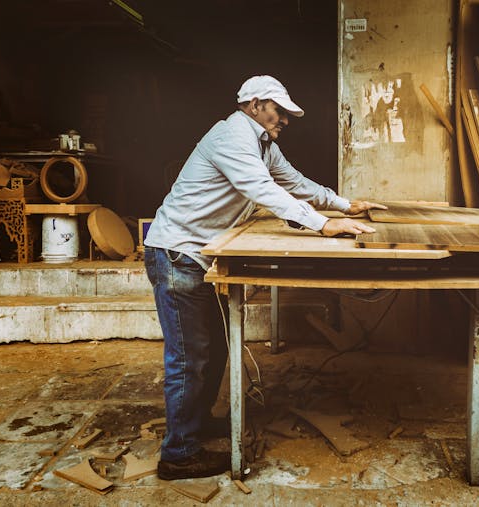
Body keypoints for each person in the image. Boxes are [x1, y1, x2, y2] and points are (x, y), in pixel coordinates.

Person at [144, 75, 386, 480]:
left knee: (214, 352)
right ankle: (178, 455)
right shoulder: (231, 138)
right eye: (279, 111)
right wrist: (322, 225)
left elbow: (293, 182)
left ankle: (195, 426)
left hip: (195, 256)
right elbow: (262, 190)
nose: (285, 120)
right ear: (255, 104)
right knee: (189, 360)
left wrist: (346, 205)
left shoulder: (261, 143)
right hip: (176, 255)